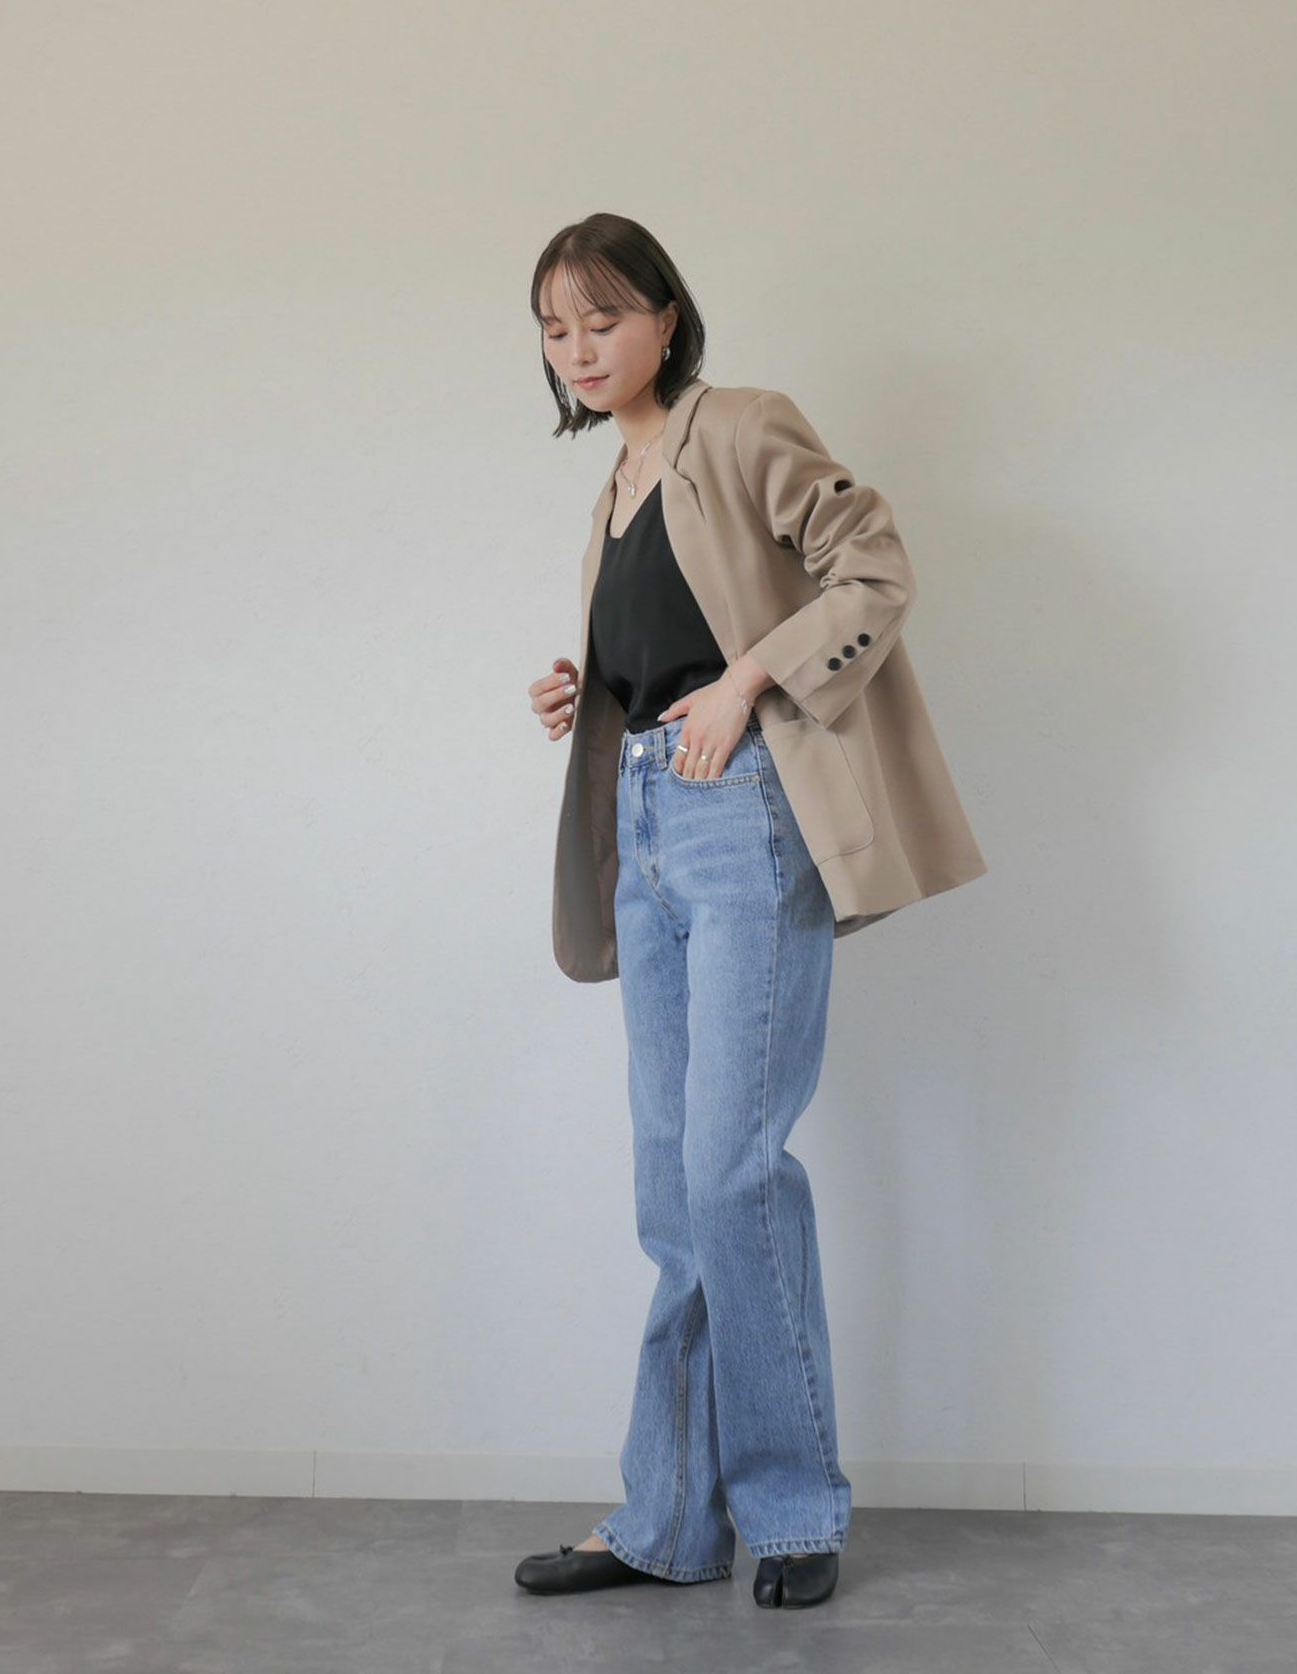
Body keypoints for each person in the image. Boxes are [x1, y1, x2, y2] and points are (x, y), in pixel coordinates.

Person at [516, 214, 986, 1611]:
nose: (578, 349)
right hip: (647, 824)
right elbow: (669, 645)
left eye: (602, 318)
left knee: (732, 1172)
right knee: (676, 1193)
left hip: (745, 818)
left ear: (665, 318)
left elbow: (874, 565)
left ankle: (791, 1511)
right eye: (554, 329)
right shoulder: (612, 486)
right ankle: (667, 1521)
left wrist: (746, 684)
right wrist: (591, 690)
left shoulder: (739, 427)